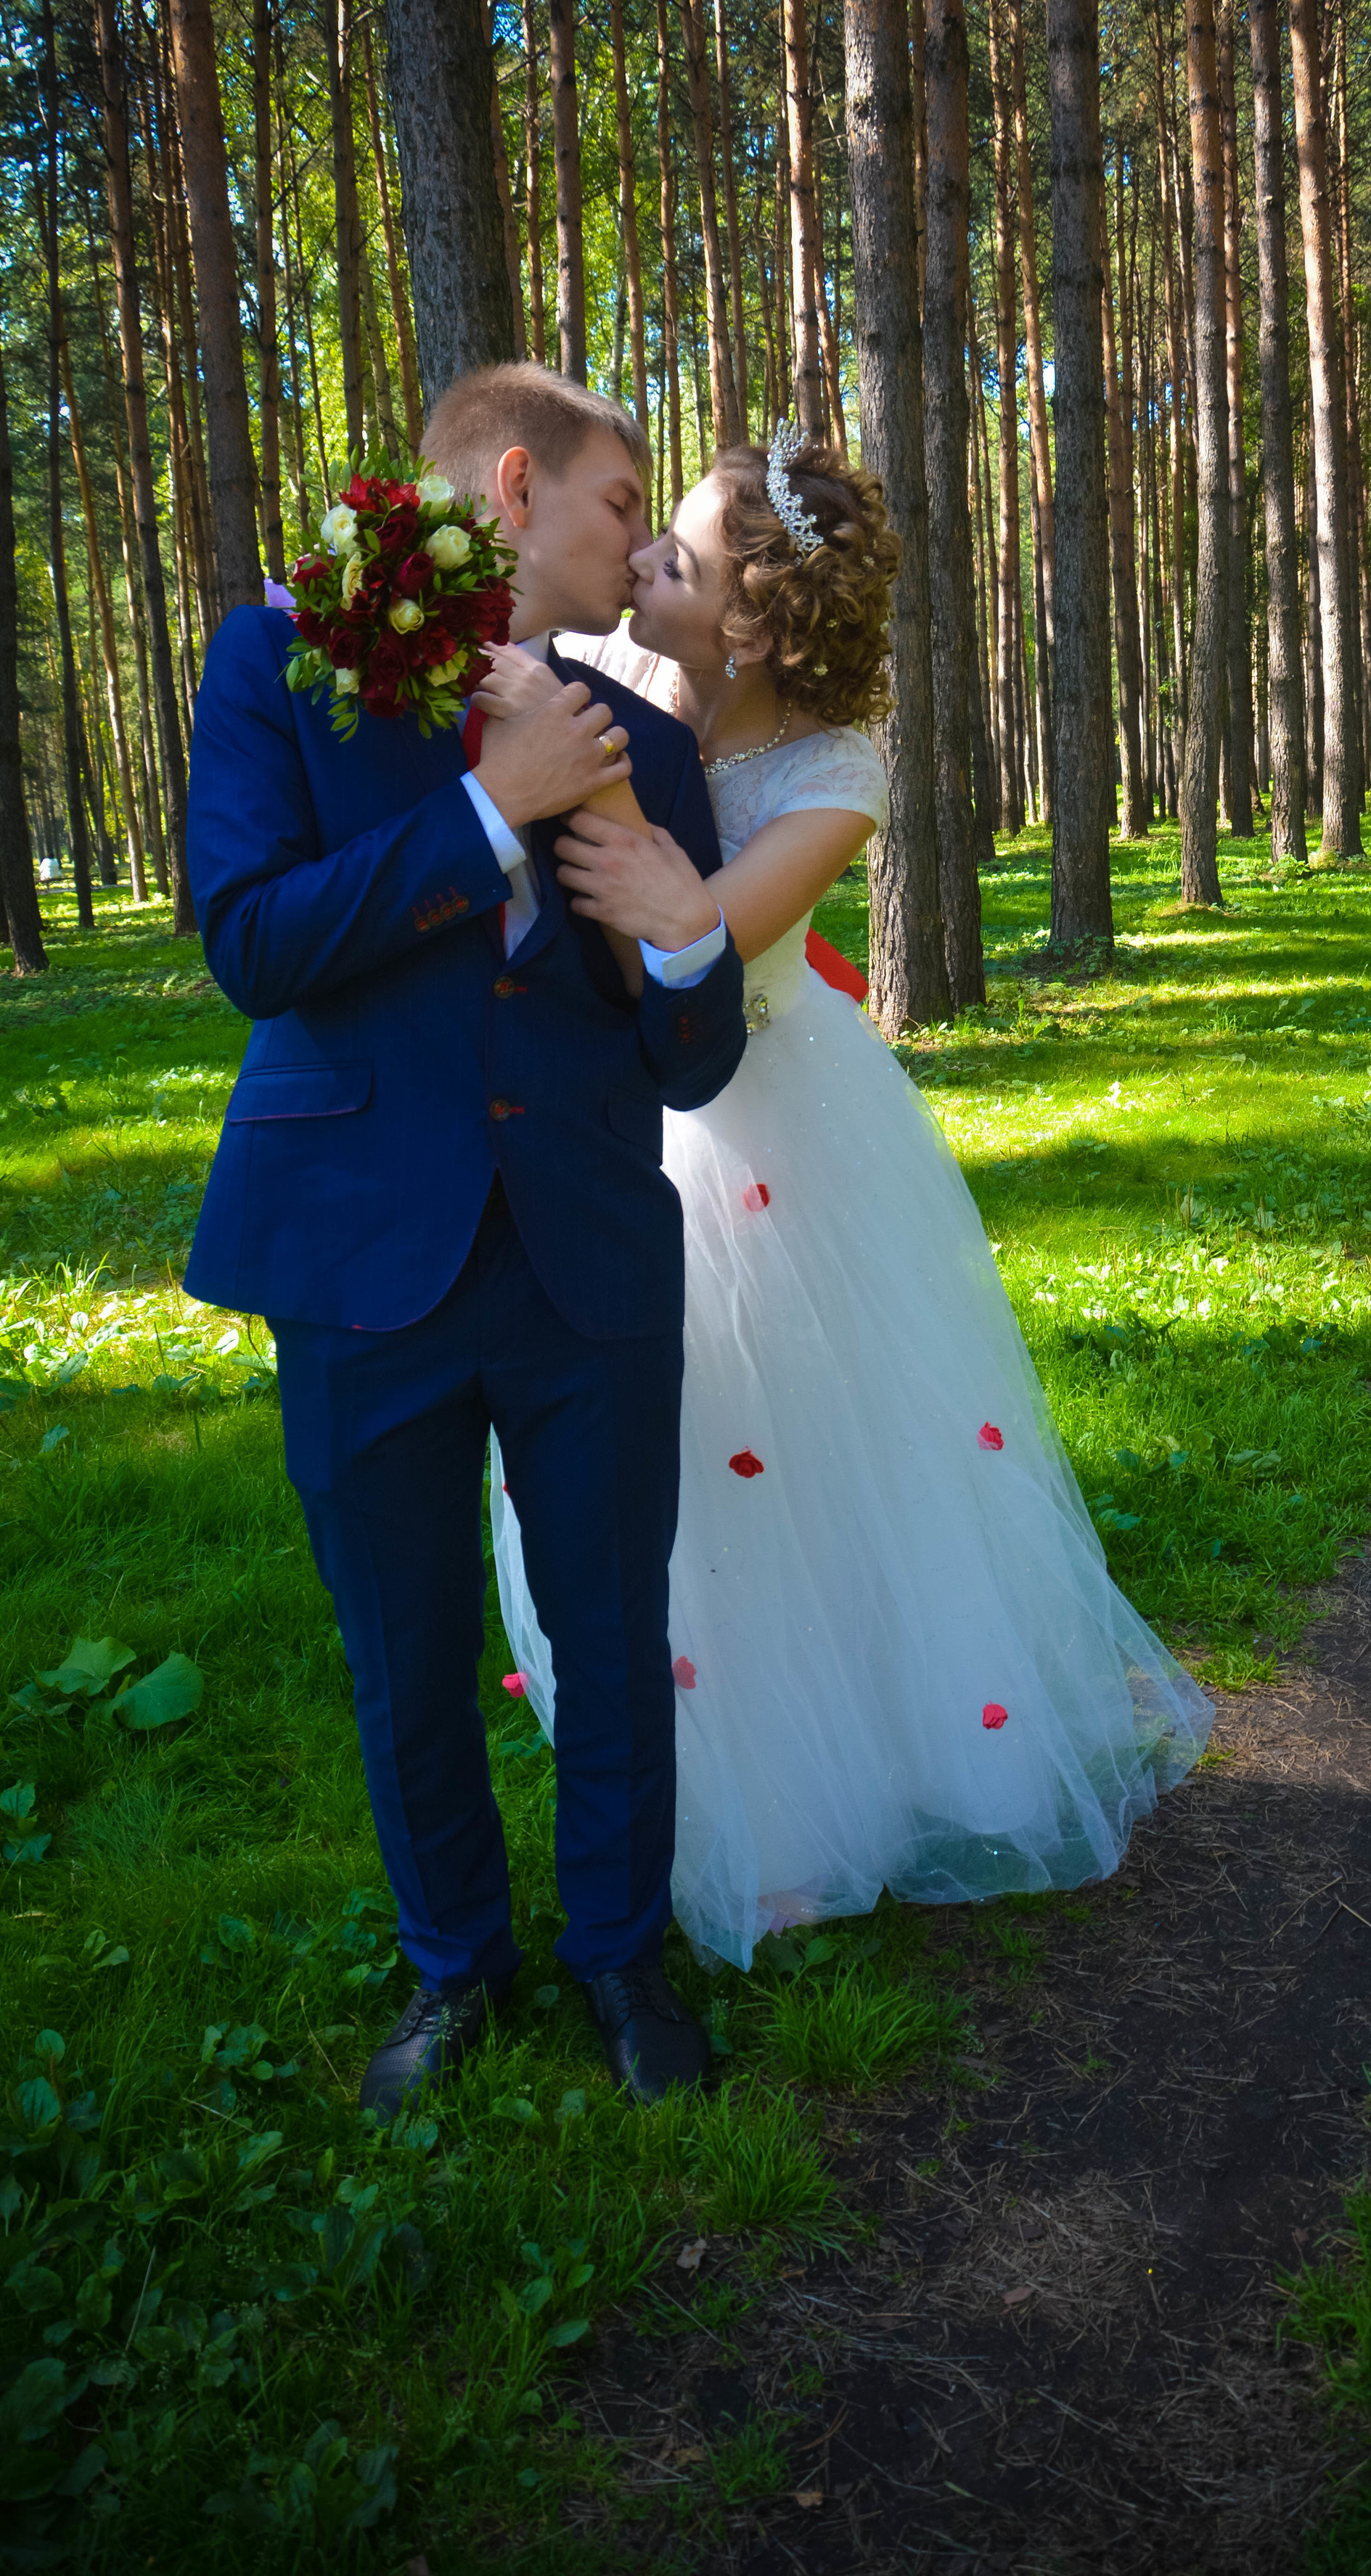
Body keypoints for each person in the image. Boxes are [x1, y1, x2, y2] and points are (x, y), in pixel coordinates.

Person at [482, 427, 1211, 1973]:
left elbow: (709, 930)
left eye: (671, 556)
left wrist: (627, 863)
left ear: (744, 620)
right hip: (644, 1134)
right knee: (674, 1465)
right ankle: (734, 1780)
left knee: (806, 1451)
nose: (639, 568)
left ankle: (844, 1789)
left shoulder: (835, 769)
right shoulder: (619, 684)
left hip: (782, 1143)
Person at [184, 363, 746, 2115]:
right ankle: (452, 1973)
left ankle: (620, 1963)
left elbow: (694, 1057)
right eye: (613, 499)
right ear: (512, 487)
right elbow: (255, 945)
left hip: (585, 1257)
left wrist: (678, 942)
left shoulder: (647, 745)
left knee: (608, 1628)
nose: (639, 537)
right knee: (405, 1646)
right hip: (360, 1255)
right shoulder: (276, 672)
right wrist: (488, 808)